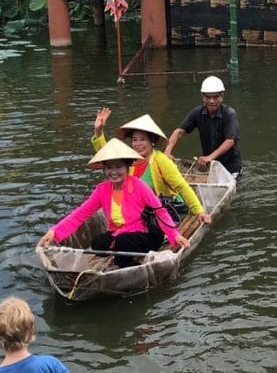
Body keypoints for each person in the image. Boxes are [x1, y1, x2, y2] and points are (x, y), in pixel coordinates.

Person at [38, 139, 191, 266]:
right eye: (109, 167)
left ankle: (126, 264)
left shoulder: (139, 186)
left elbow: (160, 211)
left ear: (127, 167)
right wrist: (54, 232)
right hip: (119, 233)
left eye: (119, 167)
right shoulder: (102, 190)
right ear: (104, 169)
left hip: (145, 234)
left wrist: (175, 235)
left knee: (123, 241)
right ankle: (121, 253)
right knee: (97, 244)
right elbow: (80, 214)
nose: (114, 172)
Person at [92, 108, 212, 226]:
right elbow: (109, 157)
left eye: (142, 140)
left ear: (152, 141)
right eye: (134, 140)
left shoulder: (161, 161)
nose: (138, 144)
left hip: (165, 210)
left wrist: (199, 212)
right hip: (139, 210)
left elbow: (182, 186)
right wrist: (99, 132)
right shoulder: (130, 159)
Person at [165, 76, 242, 178]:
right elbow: (178, 132)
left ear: (221, 97)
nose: (211, 101)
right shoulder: (197, 112)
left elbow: (230, 140)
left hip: (230, 165)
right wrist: (167, 151)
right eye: (208, 97)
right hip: (209, 164)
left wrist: (210, 157)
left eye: (215, 97)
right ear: (203, 97)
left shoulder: (229, 114)